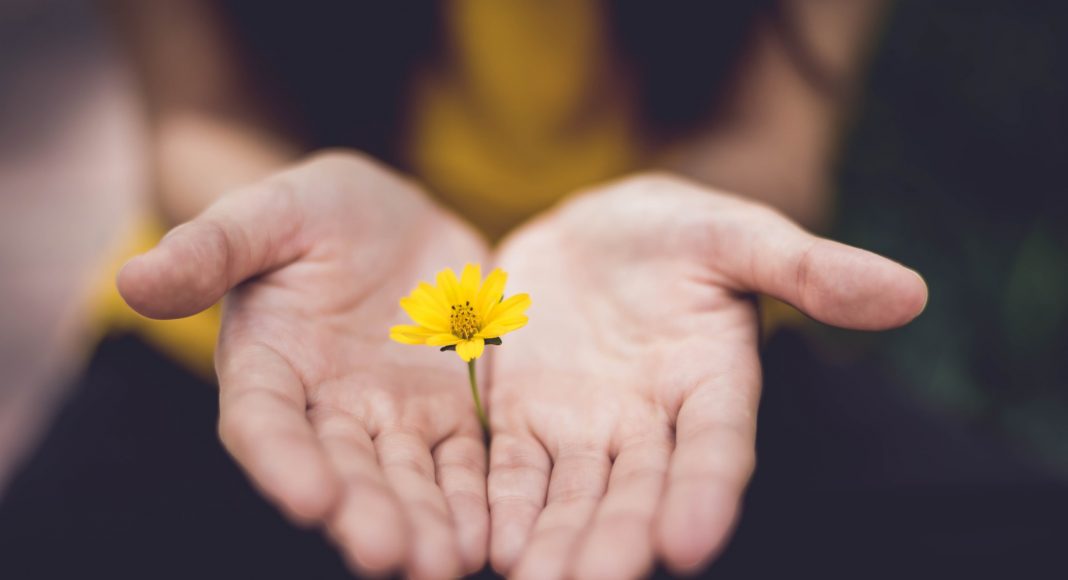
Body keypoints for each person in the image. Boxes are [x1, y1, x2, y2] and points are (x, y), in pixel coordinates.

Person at [7, 2, 1057, 579]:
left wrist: (679, 223)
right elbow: (198, 114)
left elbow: (775, 135)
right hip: (288, 329)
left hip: (663, 336)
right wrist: (269, 219)